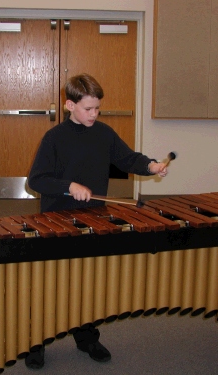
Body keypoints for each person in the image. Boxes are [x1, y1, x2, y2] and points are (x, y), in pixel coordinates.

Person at [26, 73, 169, 369]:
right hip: (57, 221)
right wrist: (69, 186)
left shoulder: (104, 133)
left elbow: (128, 159)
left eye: (97, 108)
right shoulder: (54, 138)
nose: (94, 114)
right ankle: (35, 341)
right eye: (88, 109)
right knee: (49, 285)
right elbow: (36, 180)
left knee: (87, 283)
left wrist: (151, 165)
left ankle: (87, 337)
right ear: (69, 105)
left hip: (92, 219)